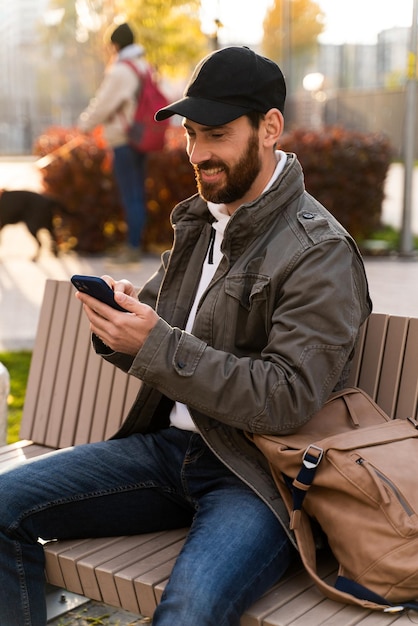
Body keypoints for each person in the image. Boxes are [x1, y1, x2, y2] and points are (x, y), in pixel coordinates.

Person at [0, 46, 372, 626]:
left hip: (256, 477)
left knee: (187, 612)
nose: (198, 154)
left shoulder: (318, 250)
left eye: (216, 134)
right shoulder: (202, 221)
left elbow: (290, 397)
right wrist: (122, 324)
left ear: (269, 127)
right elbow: (159, 338)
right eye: (191, 134)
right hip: (167, 452)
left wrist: (155, 344)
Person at [78, 22, 147, 264]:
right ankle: (135, 242)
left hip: (123, 138)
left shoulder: (121, 70)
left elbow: (103, 103)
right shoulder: (142, 66)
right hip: (141, 137)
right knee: (137, 192)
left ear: (115, 44)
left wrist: (84, 125)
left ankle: (132, 247)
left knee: (131, 195)